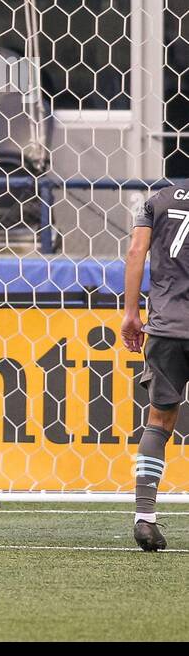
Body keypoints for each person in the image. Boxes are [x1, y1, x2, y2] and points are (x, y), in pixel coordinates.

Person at [120, 181, 189, 551]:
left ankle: (144, 517)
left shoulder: (158, 200)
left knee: (159, 420)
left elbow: (136, 252)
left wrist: (131, 314)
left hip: (165, 327)